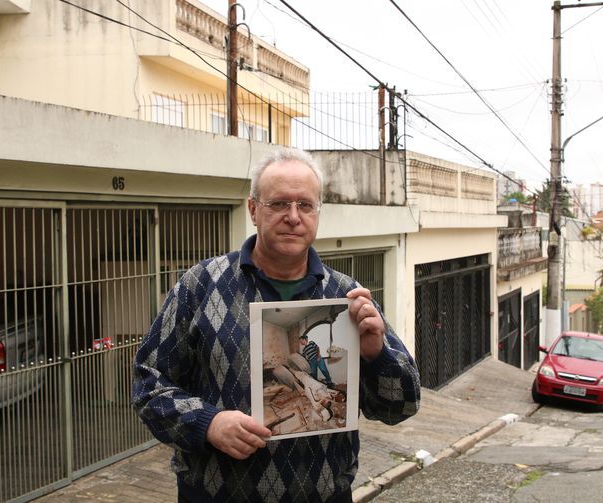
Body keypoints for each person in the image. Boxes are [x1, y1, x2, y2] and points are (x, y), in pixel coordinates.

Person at [132, 147, 420, 503]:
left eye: (305, 205)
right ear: (254, 209)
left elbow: (402, 406)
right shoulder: (200, 285)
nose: (293, 217)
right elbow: (148, 384)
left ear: (318, 213)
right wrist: (208, 424)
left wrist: (376, 354)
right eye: (279, 204)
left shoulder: (348, 297)